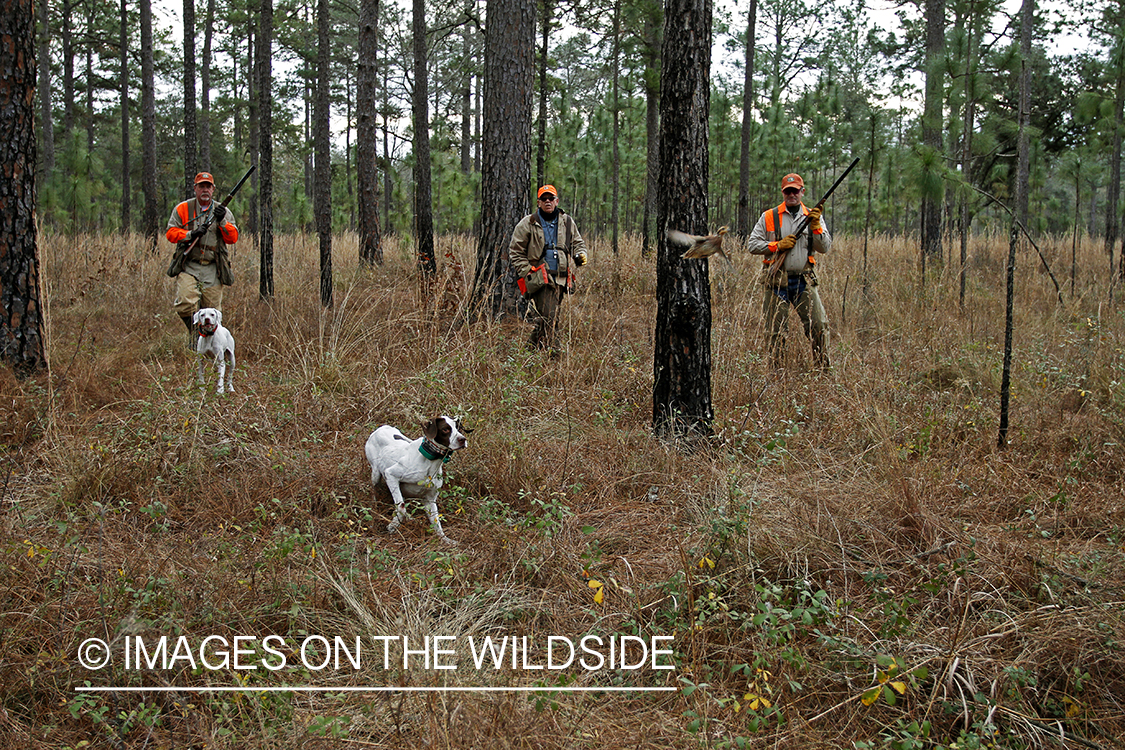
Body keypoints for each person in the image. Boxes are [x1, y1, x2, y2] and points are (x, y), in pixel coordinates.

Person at [747, 172, 832, 370]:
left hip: (804, 280)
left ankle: (823, 373)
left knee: (819, 326)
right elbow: (752, 245)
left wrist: (816, 226)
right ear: (783, 193)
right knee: (775, 333)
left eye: (795, 191)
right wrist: (777, 245)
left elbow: (825, 247)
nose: (791, 194)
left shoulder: (813, 216)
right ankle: (777, 376)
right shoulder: (768, 216)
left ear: (802, 192)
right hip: (776, 281)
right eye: (788, 191)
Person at [509, 184, 588, 354]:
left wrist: (580, 256)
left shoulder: (567, 221)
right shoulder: (528, 222)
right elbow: (515, 251)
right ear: (538, 202)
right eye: (543, 199)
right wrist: (528, 271)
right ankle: (555, 355)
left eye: (551, 198)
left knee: (548, 319)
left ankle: (527, 353)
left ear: (556, 201)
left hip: (561, 279)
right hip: (539, 279)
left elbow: (578, 244)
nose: (547, 202)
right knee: (550, 319)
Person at [165, 172, 239, 343]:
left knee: (212, 311)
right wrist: (190, 234)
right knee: (184, 304)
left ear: (213, 189)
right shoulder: (183, 208)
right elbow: (170, 233)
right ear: (195, 189)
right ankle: (195, 335)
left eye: (208, 186)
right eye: (201, 186)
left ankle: (211, 348)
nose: (205, 190)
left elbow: (232, 238)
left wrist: (221, 221)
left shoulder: (223, 211)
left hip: (213, 267)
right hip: (189, 265)